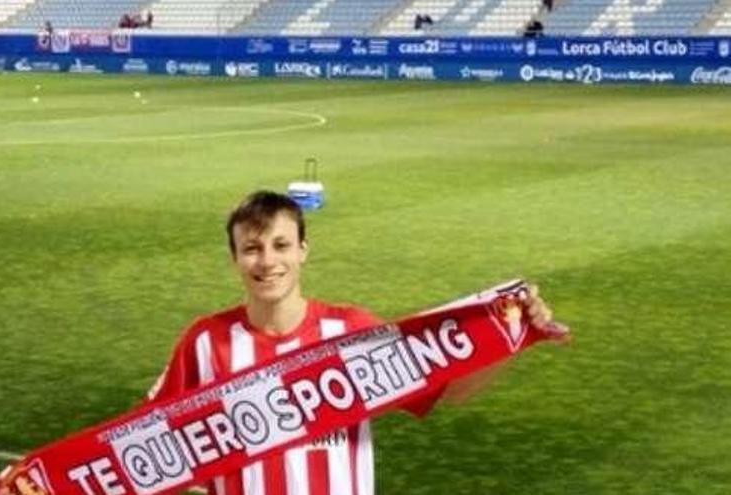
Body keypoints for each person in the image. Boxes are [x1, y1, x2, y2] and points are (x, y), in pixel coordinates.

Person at [147, 190, 560, 495]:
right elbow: (148, 449)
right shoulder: (206, 342)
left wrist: (515, 333)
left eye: (281, 245)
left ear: (303, 251)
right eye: (251, 248)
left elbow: (448, 391)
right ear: (234, 258)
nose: (268, 261)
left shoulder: (351, 333)